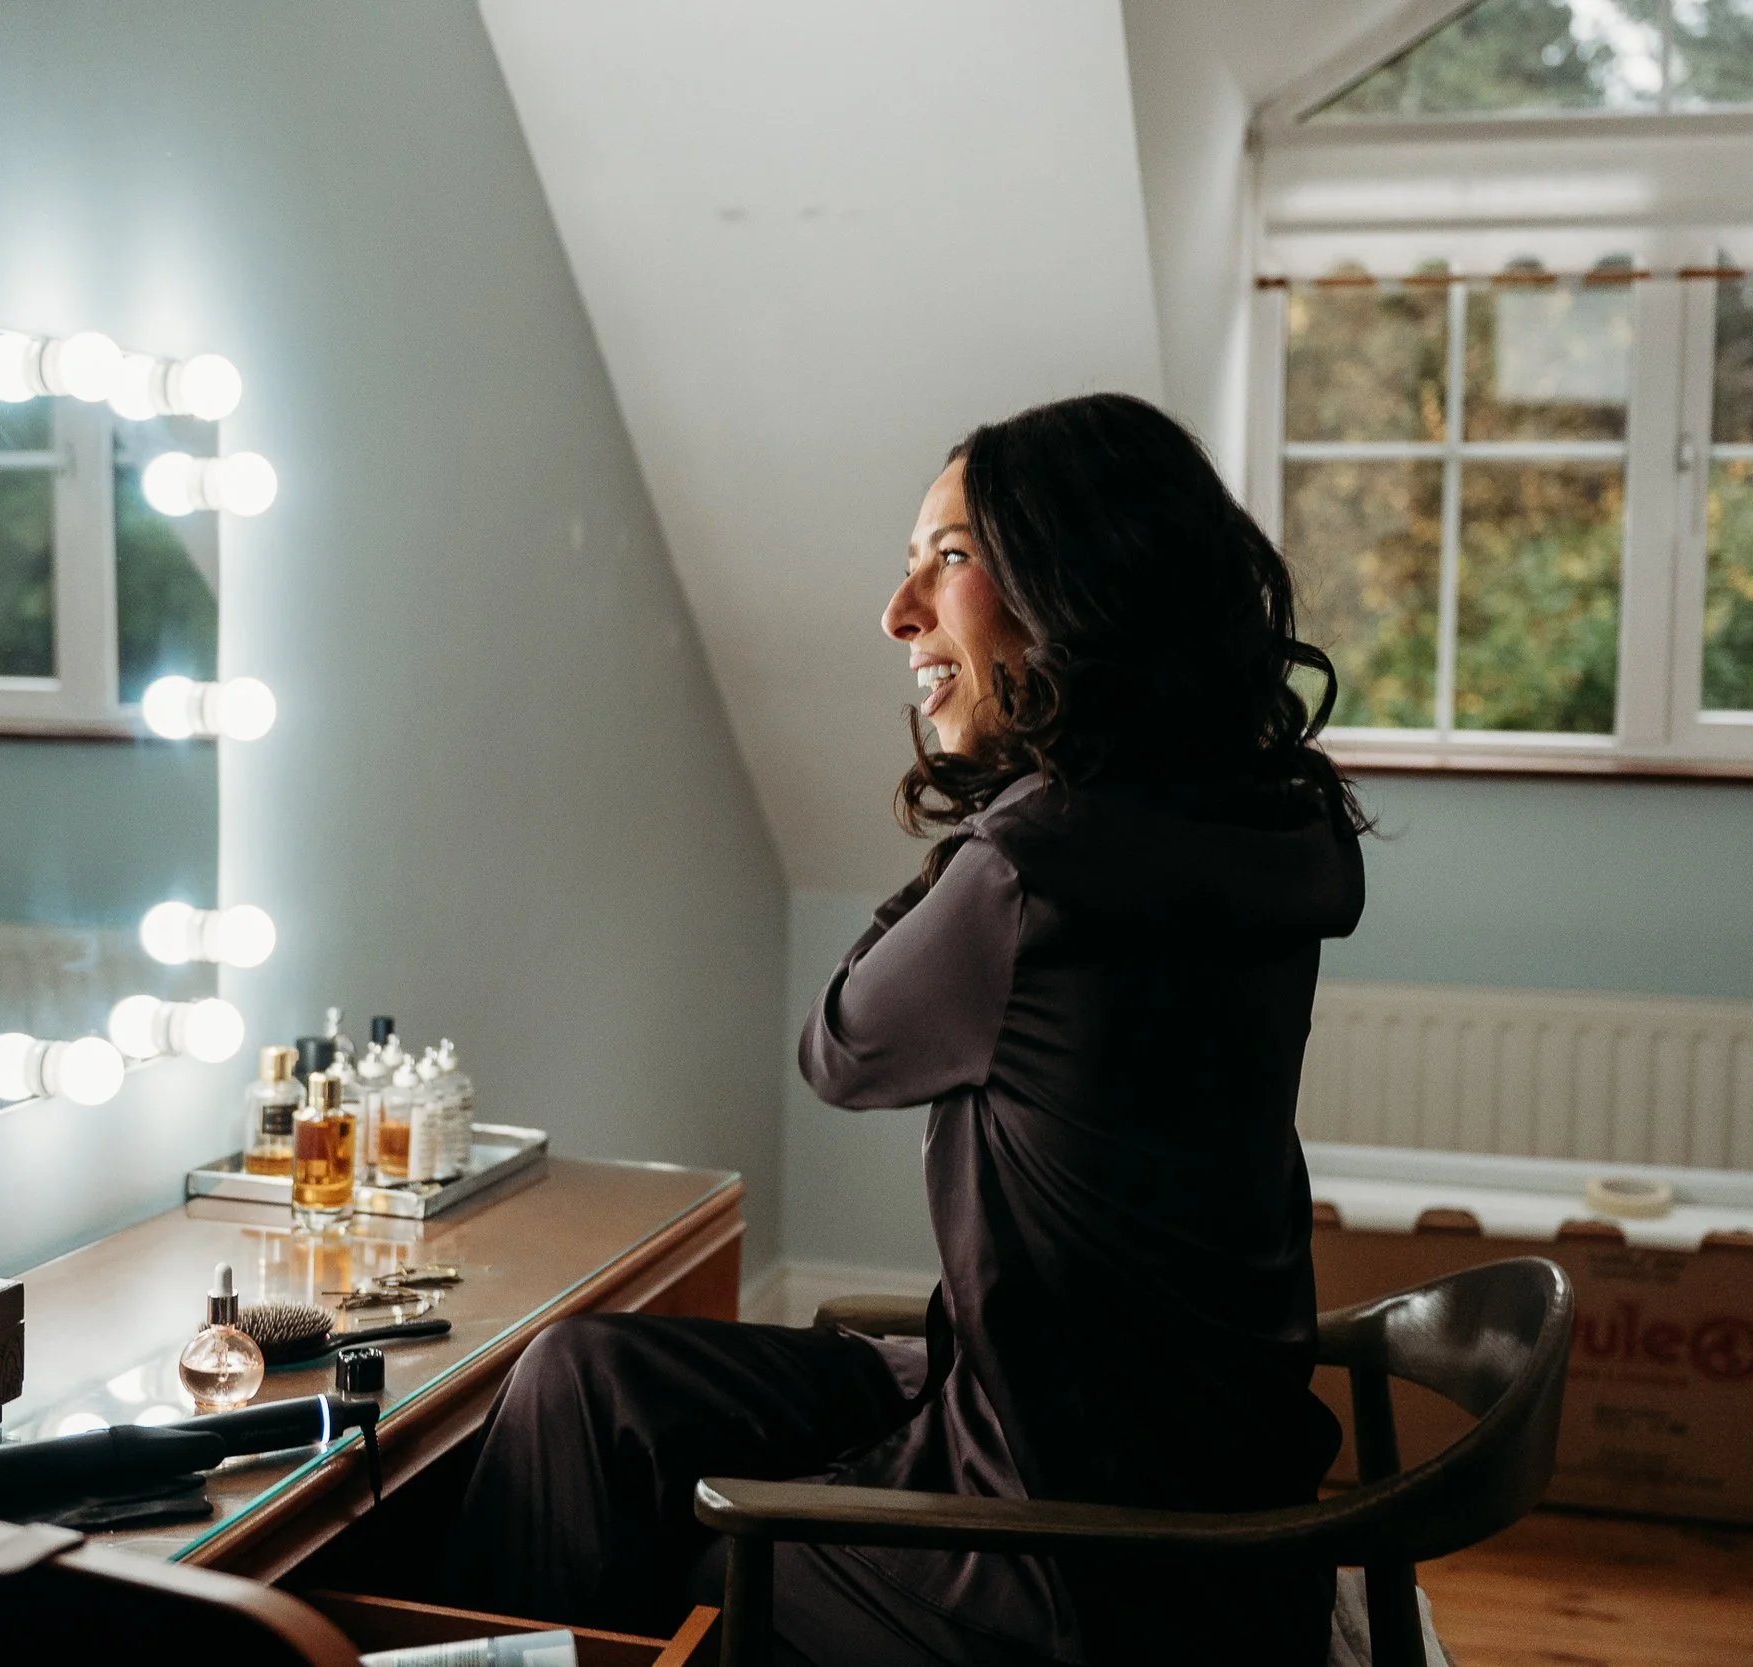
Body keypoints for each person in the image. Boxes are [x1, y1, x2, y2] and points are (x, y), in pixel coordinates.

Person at [444, 393, 1368, 1664]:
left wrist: (999, 807)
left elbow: (838, 1043)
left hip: (1068, 1547)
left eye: (947, 557)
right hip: (1178, 1457)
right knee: (584, 1374)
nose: (898, 612)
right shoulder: (1264, 823)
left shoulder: (1035, 866)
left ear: (1078, 584)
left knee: (649, 1534)